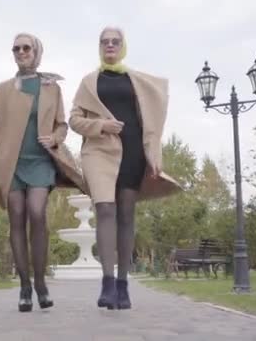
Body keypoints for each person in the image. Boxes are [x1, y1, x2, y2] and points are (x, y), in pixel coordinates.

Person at [0, 32, 84, 312]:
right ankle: (24, 286)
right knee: (17, 219)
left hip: (41, 162)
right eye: (16, 49)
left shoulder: (51, 88)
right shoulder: (2, 89)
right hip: (12, 164)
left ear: (37, 53)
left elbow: (62, 125)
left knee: (37, 212)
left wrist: (55, 139)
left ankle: (41, 282)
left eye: (26, 48)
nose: (21, 52)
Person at [69, 27, 180, 310]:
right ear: (99, 46)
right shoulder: (89, 82)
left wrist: (154, 157)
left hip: (132, 151)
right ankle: (107, 283)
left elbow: (152, 125)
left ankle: (123, 284)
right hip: (98, 151)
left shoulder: (137, 81)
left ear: (123, 46)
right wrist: (101, 125)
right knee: (105, 209)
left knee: (126, 215)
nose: (110, 45)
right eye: (104, 41)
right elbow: (74, 120)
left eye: (115, 42)